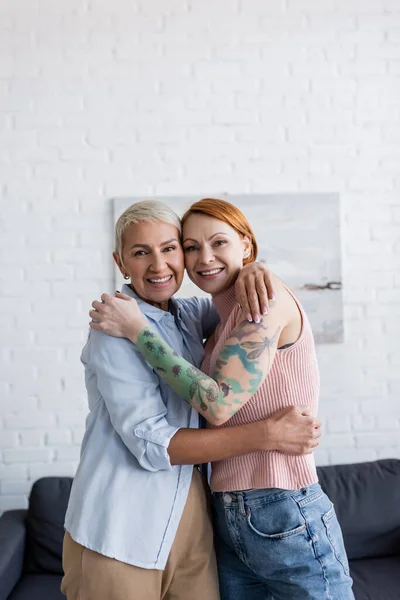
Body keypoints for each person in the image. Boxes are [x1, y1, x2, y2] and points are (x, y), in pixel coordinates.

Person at [93, 198, 353, 600]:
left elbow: (217, 405)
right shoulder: (212, 315)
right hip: (229, 511)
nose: (204, 258)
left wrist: (137, 330)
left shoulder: (265, 302)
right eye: (192, 246)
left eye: (219, 243)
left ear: (245, 244)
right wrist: (252, 267)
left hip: (281, 504)